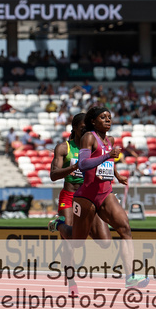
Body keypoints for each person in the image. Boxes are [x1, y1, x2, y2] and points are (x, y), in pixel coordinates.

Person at [71, 107, 149, 289]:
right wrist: (108, 155)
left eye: (109, 117)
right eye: (102, 117)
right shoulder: (89, 137)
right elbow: (83, 164)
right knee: (77, 241)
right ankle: (60, 225)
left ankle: (130, 277)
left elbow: (107, 162)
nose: (107, 120)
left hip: (106, 193)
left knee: (125, 229)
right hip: (87, 196)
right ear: (93, 121)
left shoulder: (110, 140)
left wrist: (116, 174)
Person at [47, 113, 113, 296]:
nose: (86, 131)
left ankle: (62, 225)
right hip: (69, 196)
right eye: (82, 128)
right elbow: (53, 175)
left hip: (89, 197)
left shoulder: (94, 144)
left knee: (105, 242)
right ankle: (71, 281)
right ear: (74, 128)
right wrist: (74, 168)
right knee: (71, 243)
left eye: (88, 128)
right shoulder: (64, 147)